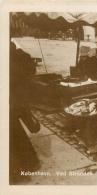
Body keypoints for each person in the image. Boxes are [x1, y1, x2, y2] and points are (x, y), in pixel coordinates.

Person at [10, 42, 41, 183]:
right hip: (17, 99)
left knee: (13, 134)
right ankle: (29, 162)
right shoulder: (21, 55)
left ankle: (19, 170)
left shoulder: (14, 59)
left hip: (13, 100)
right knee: (15, 133)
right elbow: (30, 72)